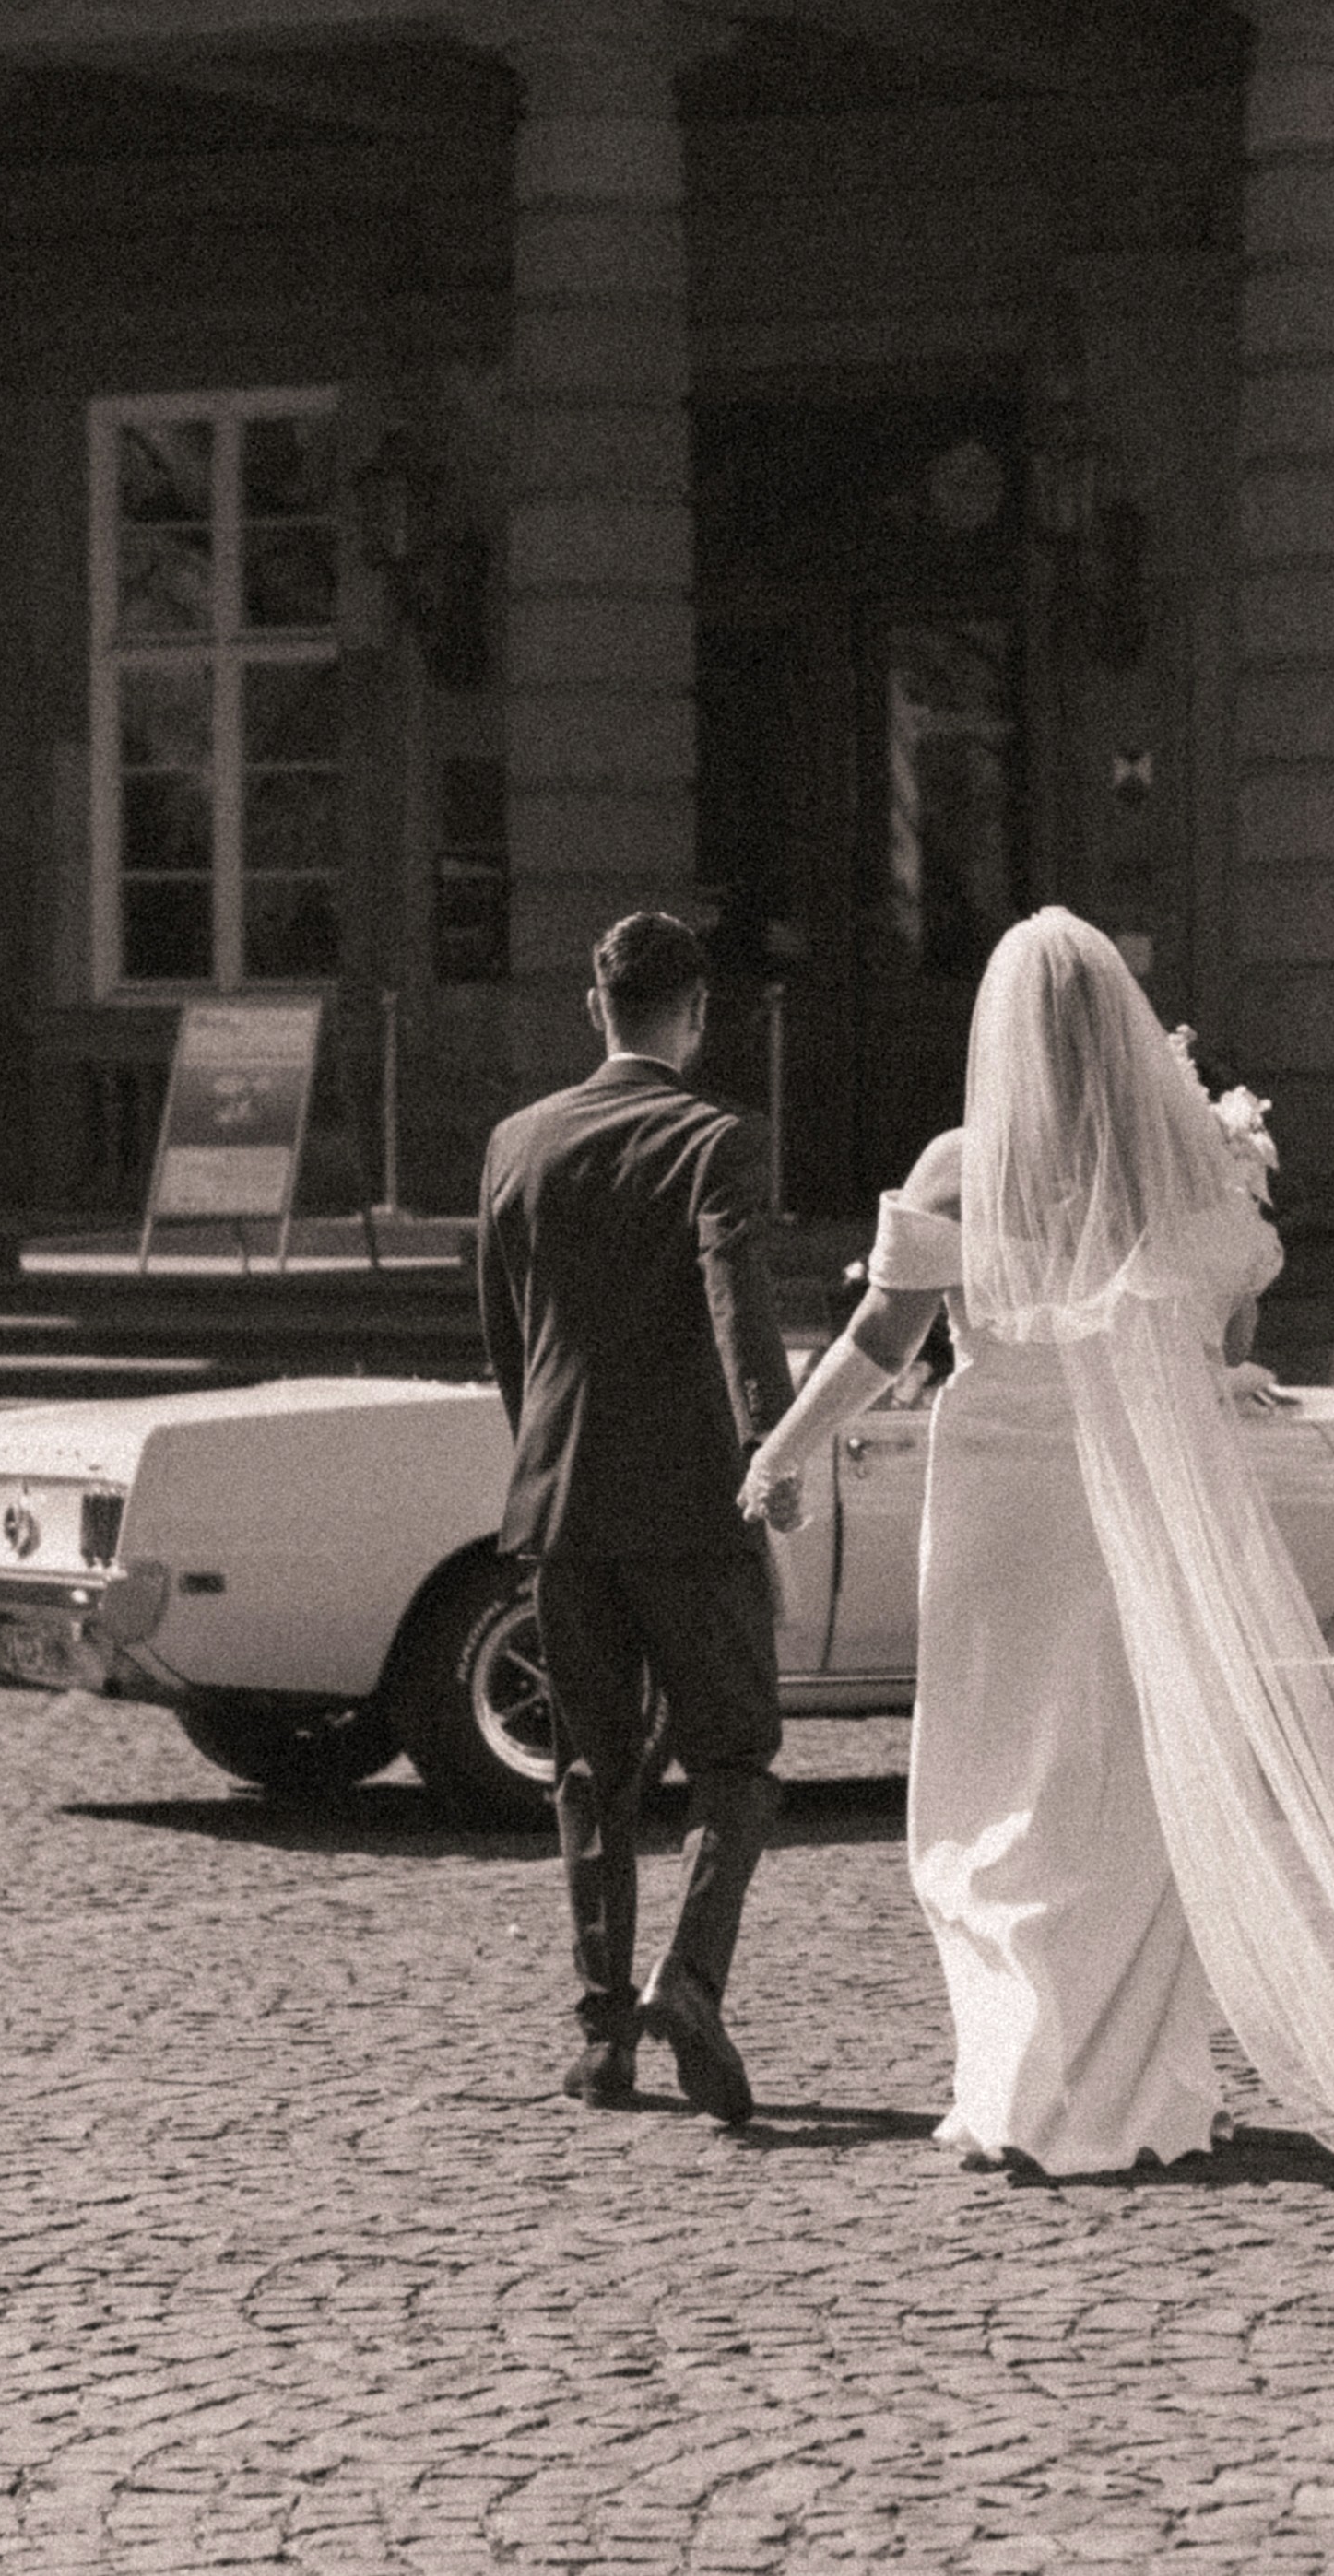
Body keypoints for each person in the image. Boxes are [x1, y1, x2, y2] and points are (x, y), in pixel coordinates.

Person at [739, 908, 1334, 2241]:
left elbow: (880, 1343)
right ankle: (1147, 2088)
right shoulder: (1186, 1164)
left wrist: (778, 1447)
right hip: (1129, 1505)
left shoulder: (960, 1165)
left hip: (1000, 1503)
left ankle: (1022, 2087)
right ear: (1118, 1028)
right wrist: (1209, 1374)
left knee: (998, 1785)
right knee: (1129, 1776)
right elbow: (1225, 1319)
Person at [473, 909, 802, 2126]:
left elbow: (511, 1340)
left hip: (561, 1500)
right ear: (698, 1015)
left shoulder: (517, 1142)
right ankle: (690, 1976)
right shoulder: (716, 1137)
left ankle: (604, 2034)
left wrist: (549, 1459)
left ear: (592, 1007)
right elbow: (734, 1291)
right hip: (689, 1504)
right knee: (736, 1755)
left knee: (588, 1768)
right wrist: (771, 1442)